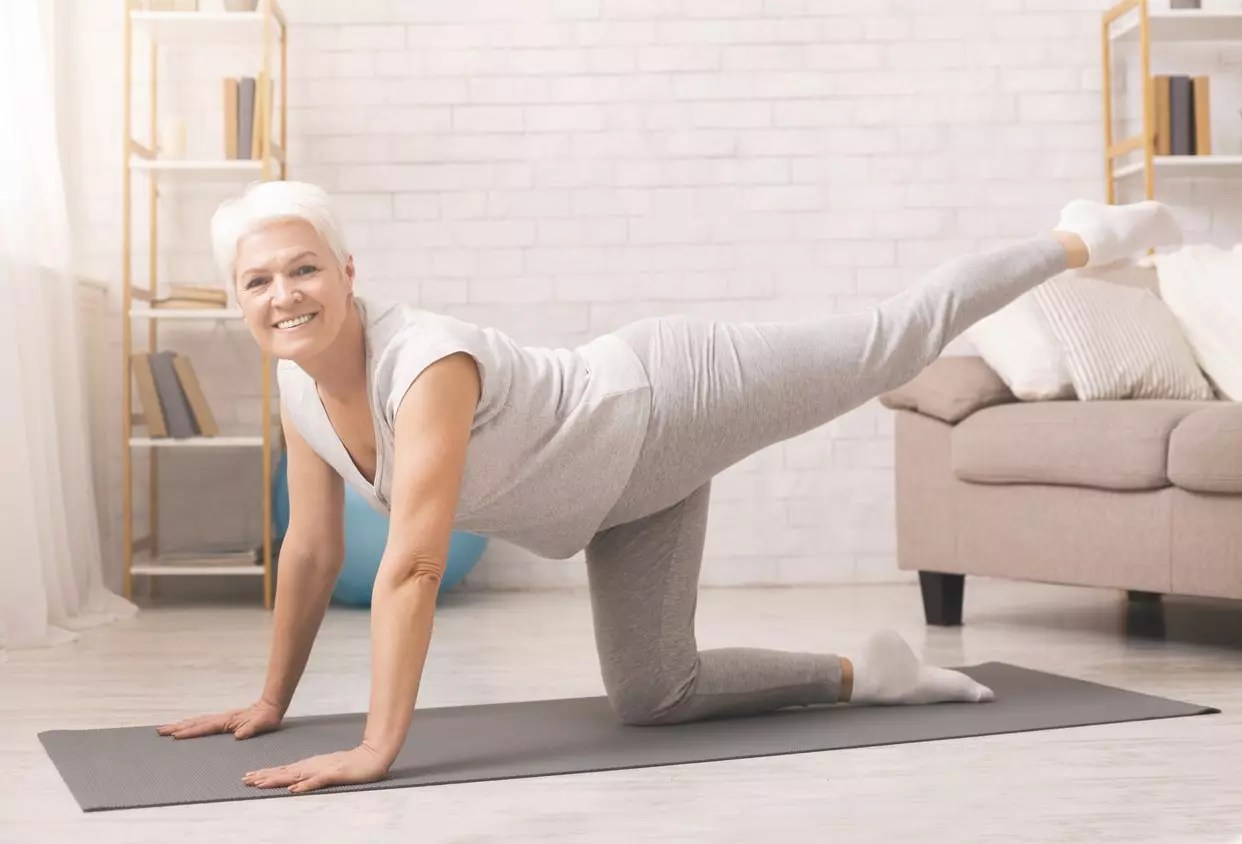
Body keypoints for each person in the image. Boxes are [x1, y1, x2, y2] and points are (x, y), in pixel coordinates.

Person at [156, 181, 1182, 794]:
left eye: (303, 269)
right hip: (615, 495)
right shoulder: (296, 391)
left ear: (345, 269)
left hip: (667, 397)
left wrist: (379, 747)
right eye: (257, 281)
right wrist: (271, 700)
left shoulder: (422, 365)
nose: (283, 295)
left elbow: (416, 560)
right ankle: (865, 674)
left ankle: (1084, 238)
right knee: (655, 695)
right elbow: (310, 550)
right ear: (238, 300)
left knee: (889, 344)